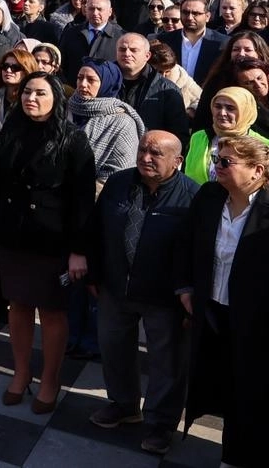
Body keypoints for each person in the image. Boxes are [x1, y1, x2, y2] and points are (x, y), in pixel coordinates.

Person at [0, 71, 96, 411]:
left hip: (52, 239)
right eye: (27, 92)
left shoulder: (73, 139)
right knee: (18, 305)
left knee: (52, 311)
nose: (31, 98)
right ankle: (21, 373)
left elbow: (83, 200)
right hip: (13, 235)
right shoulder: (10, 130)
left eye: (40, 93)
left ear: (56, 98)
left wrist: (79, 251)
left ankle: (50, 379)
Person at [87, 130, 196, 455]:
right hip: (116, 286)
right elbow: (96, 228)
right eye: (143, 150)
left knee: (167, 362)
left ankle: (161, 424)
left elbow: (197, 251)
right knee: (114, 346)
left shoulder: (192, 196)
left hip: (164, 296)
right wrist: (94, 272)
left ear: (177, 161)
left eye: (156, 153)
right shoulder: (119, 183)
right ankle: (123, 405)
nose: (146, 158)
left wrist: (188, 293)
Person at [177, 133, 269, 467]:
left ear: (257, 171)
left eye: (226, 162)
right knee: (223, 386)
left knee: (251, 392)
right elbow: (186, 243)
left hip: (255, 323)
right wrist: (185, 288)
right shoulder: (209, 197)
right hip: (214, 313)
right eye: (216, 159)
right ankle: (231, 454)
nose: (216, 166)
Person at [184, 86, 263, 184]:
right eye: (218, 106)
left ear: (245, 111)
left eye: (230, 108)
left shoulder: (262, 146)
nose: (222, 113)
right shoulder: (199, 137)